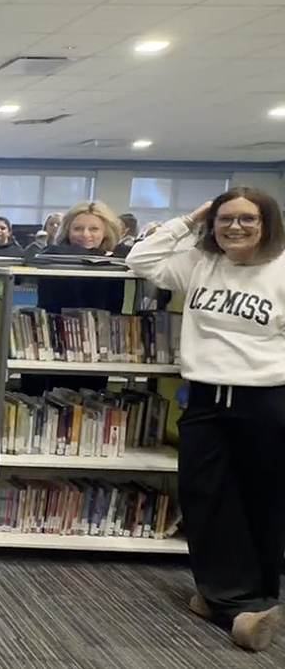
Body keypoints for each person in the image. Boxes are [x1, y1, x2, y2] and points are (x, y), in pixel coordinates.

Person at [126, 187, 285, 652]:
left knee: (262, 498)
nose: (235, 227)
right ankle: (233, 603)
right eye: (224, 218)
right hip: (206, 401)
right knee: (206, 498)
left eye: (247, 219)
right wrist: (191, 218)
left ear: (267, 222)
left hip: (266, 400)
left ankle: (251, 598)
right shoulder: (200, 263)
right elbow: (140, 259)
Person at [19, 200, 130, 396]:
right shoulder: (52, 254)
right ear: (67, 230)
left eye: (94, 228)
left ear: (106, 231)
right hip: (53, 342)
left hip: (96, 344)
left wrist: (109, 255)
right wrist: (101, 254)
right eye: (78, 228)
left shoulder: (116, 260)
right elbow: (42, 256)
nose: (86, 235)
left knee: (89, 401)